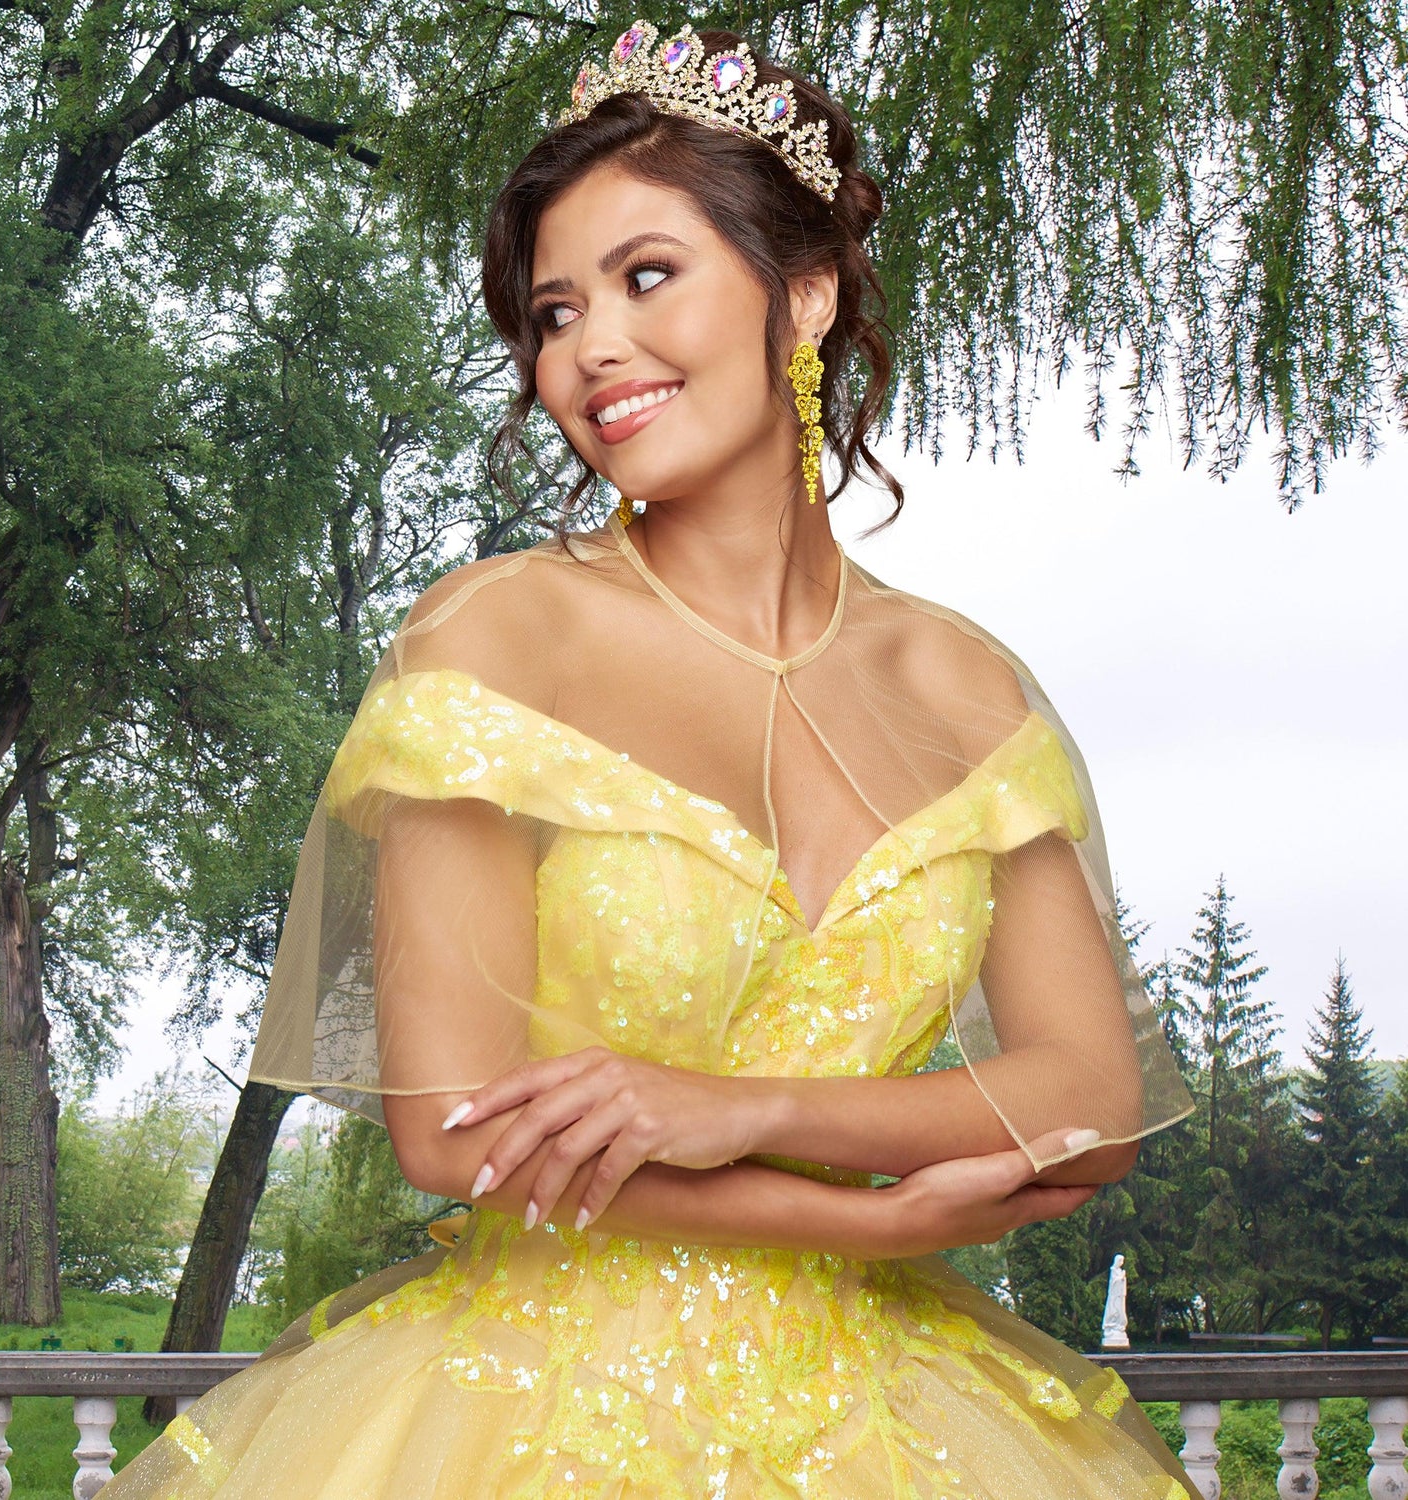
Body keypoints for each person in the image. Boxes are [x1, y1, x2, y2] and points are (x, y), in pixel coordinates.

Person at [103, 19, 1201, 1497]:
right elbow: (450, 1130)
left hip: (908, 1421)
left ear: (801, 298)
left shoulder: (959, 681)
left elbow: (1088, 1098)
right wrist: (865, 1217)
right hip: (528, 1411)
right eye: (551, 313)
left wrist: (744, 1107)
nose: (588, 348)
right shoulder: (499, 640)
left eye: (646, 278)